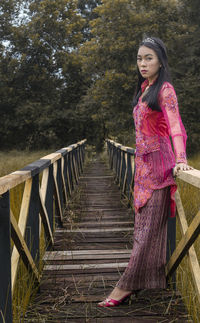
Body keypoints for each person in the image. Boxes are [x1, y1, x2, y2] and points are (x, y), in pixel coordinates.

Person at [98, 36, 193, 307]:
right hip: (142, 169)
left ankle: (123, 287)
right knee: (142, 230)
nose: (142, 63)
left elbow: (175, 126)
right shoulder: (144, 89)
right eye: (139, 58)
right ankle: (145, 281)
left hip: (161, 169)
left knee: (147, 232)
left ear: (161, 61)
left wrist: (181, 158)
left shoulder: (165, 90)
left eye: (148, 58)